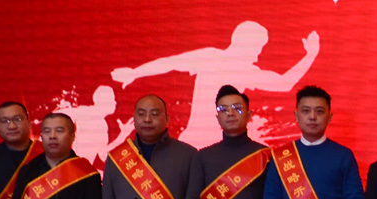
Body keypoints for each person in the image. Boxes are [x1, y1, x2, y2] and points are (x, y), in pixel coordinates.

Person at [111, 20, 321, 148]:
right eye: (258, 48)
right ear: (245, 43)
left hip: (217, 145)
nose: (258, 55)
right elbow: (171, 62)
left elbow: (169, 63)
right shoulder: (221, 61)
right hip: (198, 143)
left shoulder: (226, 62)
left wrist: (135, 73)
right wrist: (310, 54)